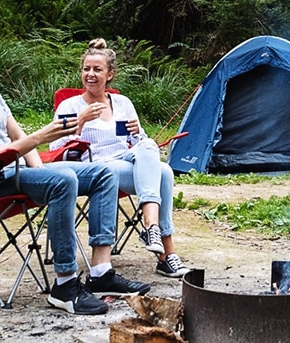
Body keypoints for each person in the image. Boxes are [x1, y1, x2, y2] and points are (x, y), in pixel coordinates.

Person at [0, 26, 152, 315]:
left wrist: (42, 171)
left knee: (103, 173)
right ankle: (65, 285)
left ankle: (101, 273)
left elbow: (16, 134)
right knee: (63, 179)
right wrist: (42, 139)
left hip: (15, 173)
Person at [51, 39, 191, 278]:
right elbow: (56, 149)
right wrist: (80, 121)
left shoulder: (123, 103)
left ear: (110, 74)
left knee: (155, 156)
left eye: (97, 69)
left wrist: (139, 133)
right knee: (163, 173)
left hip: (125, 161)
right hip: (96, 169)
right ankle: (164, 250)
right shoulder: (70, 105)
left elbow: (139, 147)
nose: (90, 74)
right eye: (86, 69)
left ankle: (153, 229)